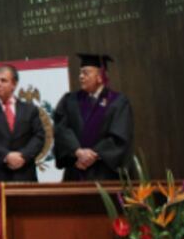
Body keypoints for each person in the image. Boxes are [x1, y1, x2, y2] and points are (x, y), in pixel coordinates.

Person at [52, 53, 134, 181]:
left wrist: (94, 155)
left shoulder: (118, 102)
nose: (81, 77)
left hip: (105, 172)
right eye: (80, 73)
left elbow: (119, 136)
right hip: (76, 170)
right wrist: (78, 152)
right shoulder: (70, 100)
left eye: (86, 73)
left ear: (100, 76)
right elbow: (61, 129)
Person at [0, 64, 45, 182]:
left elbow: (39, 137)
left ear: (14, 84)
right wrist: (6, 156)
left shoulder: (30, 109)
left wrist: (23, 156)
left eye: (3, 80)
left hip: (25, 174)